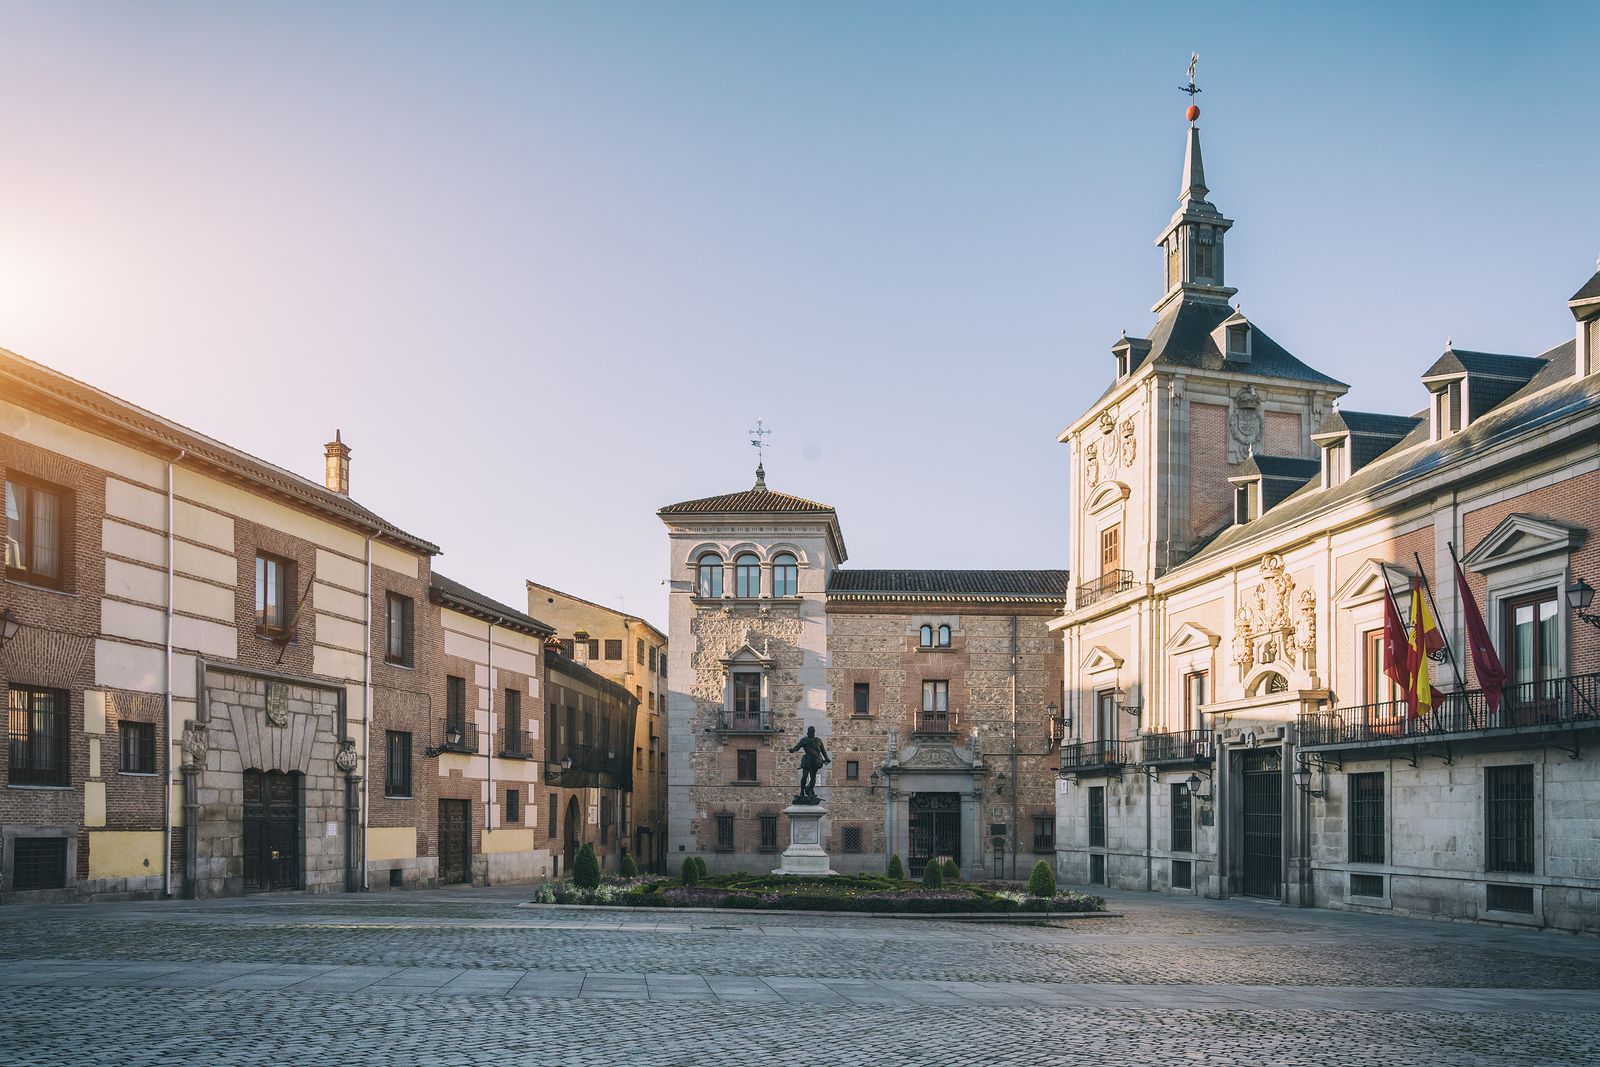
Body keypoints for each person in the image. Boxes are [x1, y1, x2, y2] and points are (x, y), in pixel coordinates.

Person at [790, 726, 830, 802]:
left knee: (813, 776)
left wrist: (826, 758)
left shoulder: (818, 740)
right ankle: (802, 791)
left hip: (816, 760)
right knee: (805, 776)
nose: (811, 733)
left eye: (812, 732)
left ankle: (810, 790)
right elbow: (797, 747)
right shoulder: (804, 740)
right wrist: (793, 750)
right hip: (807, 760)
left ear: (813, 732)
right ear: (808, 732)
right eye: (810, 732)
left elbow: (823, 751)